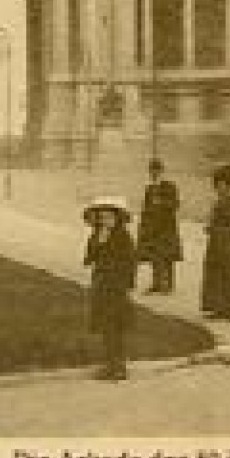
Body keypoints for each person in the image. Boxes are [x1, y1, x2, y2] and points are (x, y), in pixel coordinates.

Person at [81, 195, 138, 381]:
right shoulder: (96, 236)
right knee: (105, 326)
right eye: (102, 216)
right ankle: (109, 364)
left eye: (110, 217)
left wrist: (127, 283)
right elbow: (88, 259)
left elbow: (130, 262)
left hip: (117, 287)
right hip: (101, 285)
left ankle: (119, 366)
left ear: (118, 218)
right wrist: (99, 243)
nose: (106, 220)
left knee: (116, 326)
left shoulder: (124, 237)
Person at [200, 164, 230, 317]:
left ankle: (227, 308)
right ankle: (218, 307)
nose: (219, 189)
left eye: (222, 186)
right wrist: (211, 227)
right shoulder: (217, 203)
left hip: (227, 245)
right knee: (215, 275)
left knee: (226, 275)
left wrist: (213, 229)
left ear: (229, 187)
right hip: (216, 243)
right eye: (217, 186)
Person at [137, 158, 182, 294]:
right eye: (152, 171)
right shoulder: (149, 189)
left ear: (161, 171)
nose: (154, 174)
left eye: (156, 171)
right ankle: (156, 283)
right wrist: (143, 225)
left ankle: (168, 285)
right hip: (153, 227)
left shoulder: (170, 186)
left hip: (167, 226)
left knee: (167, 256)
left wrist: (162, 202)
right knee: (154, 255)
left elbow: (175, 205)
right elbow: (145, 209)